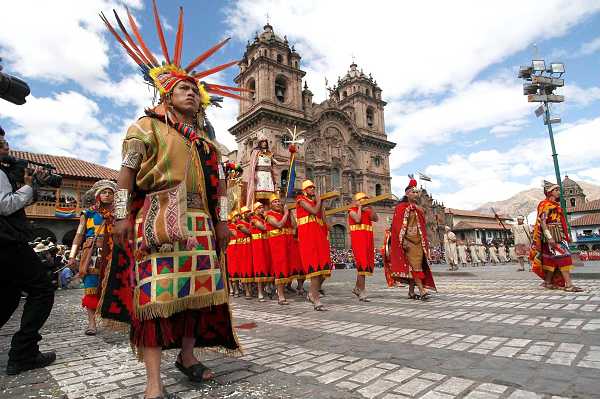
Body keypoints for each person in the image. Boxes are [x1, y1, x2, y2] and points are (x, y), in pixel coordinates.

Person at [99, 6, 241, 398]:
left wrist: (224, 221)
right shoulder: (144, 127)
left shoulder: (207, 142)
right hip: (159, 220)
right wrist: (123, 214)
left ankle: (189, 357)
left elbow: (222, 188)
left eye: (196, 90)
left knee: (196, 297)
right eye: (185, 89)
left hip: (201, 224)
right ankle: (153, 383)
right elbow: (125, 174)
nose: (193, 94)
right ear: (167, 93)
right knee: (156, 299)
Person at [0, 126, 56, 375]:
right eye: (2, 144)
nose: (7, 148)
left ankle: (22, 352)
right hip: (7, 241)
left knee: (9, 294)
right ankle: (23, 351)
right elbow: (6, 205)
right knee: (42, 288)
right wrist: (28, 186)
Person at [68, 180, 116, 336]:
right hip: (92, 253)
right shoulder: (88, 213)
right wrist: (72, 255)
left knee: (113, 286)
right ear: (98, 195)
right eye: (104, 192)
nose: (107, 195)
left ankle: (113, 320)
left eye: (110, 192)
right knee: (91, 287)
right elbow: (79, 235)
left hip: (112, 252)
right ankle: (91, 323)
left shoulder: (119, 215)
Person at [389, 177, 436, 300]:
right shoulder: (400, 208)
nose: (415, 194)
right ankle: (422, 290)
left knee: (415, 266)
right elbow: (397, 226)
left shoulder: (418, 209)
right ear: (407, 193)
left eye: (416, 192)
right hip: (408, 242)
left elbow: (423, 227)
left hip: (418, 242)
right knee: (415, 266)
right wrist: (402, 241)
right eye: (412, 192)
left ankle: (411, 292)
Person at [530, 181, 582, 292]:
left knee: (551, 260)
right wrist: (549, 237)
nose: (559, 192)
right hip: (553, 235)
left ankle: (548, 282)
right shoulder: (545, 205)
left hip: (560, 234)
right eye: (556, 190)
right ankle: (569, 285)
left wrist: (566, 235)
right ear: (549, 192)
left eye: (559, 190)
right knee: (564, 258)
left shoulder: (555, 205)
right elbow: (543, 222)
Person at [296, 180, 332, 310]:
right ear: (304, 190)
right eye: (310, 187)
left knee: (325, 268)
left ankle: (312, 293)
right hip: (308, 236)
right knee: (315, 268)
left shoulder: (315, 201)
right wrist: (318, 201)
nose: (313, 189)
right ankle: (315, 298)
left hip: (319, 235)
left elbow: (321, 215)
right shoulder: (300, 199)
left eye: (313, 187)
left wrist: (322, 205)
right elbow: (313, 210)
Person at [265, 194, 298, 305]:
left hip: (287, 244)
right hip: (277, 246)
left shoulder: (285, 214)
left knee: (288, 267)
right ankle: (280, 295)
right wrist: (287, 213)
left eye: (279, 201)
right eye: (275, 202)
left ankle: (283, 290)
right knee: (280, 268)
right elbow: (279, 225)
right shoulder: (268, 215)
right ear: (270, 205)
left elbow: (294, 226)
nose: (278, 203)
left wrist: (290, 213)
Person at [348, 192, 378, 301]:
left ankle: (357, 288)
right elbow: (357, 220)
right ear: (357, 201)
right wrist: (360, 208)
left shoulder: (368, 211)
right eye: (362, 199)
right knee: (362, 265)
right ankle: (362, 291)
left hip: (368, 241)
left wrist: (371, 208)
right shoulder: (352, 211)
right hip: (359, 241)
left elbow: (376, 218)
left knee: (366, 265)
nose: (364, 201)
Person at [245, 131, 278, 207]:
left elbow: (276, 162)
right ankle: (257, 209)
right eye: (262, 142)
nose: (264, 143)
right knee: (258, 196)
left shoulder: (269, 153)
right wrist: (254, 175)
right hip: (260, 175)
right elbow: (253, 164)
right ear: (260, 143)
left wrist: (290, 158)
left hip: (268, 176)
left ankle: (266, 211)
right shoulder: (256, 152)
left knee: (268, 197)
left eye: (265, 142)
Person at [250, 202, 273, 301]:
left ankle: (267, 286)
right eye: (259, 208)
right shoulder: (254, 220)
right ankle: (260, 292)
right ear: (255, 210)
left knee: (268, 265)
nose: (262, 209)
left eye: (262, 207)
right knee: (260, 266)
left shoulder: (264, 218)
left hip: (266, 243)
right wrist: (268, 218)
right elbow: (264, 228)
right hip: (258, 245)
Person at [237, 206, 255, 299]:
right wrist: (253, 224)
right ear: (243, 214)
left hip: (251, 247)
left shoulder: (249, 222)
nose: (250, 214)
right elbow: (249, 232)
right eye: (248, 212)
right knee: (245, 267)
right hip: (243, 248)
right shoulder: (240, 224)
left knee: (250, 266)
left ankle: (250, 289)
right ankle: (247, 291)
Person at [226, 211, 241, 297]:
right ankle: (231, 288)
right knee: (229, 269)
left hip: (236, 248)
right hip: (228, 248)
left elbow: (237, 235)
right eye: (236, 216)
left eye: (238, 216)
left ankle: (236, 288)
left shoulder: (236, 226)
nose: (237, 218)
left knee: (235, 268)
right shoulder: (228, 227)